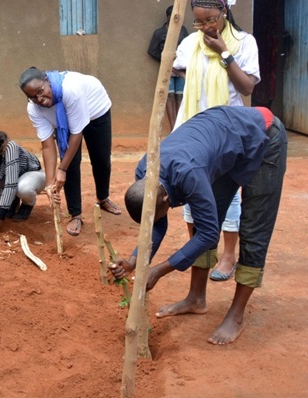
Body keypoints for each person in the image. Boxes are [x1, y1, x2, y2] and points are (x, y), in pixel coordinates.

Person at [110, 106, 287, 345]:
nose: (156, 219)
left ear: (163, 199)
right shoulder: (145, 172)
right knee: (205, 213)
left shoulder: (189, 174)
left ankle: (236, 316)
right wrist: (134, 260)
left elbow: (208, 232)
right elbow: (157, 225)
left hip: (263, 137)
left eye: (156, 214)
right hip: (225, 142)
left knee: (254, 228)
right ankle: (196, 299)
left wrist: (160, 269)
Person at [173, 0, 261, 282]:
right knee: (189, 190)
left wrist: (223, 54)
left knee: (227, 192)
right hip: (192, 128)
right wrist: (201, 75)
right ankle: (200, 251)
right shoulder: (190, 43)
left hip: (226, 131)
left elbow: (247, 87)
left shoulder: (244, 43)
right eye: (199, 21)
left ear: (224, 13)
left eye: (210, 19)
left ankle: (227, 255)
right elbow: (180, 69)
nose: (205, 26)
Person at [19, 67, 121, 237]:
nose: (40, 99)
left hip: (96, 111)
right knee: (71, 164)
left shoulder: (71, 90)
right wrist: (49, 185)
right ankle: (76, 214)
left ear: (47, 81)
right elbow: (47, 145)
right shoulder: (34, 109)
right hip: (65, 122)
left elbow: (76, 133)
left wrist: (62, 169)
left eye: (41, 92)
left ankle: (103, 197)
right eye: (33, 97)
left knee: (101, 159)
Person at [147, 5, 189, 131]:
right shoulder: (159, 33)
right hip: (167, 70)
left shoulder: (183, 30)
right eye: (174, 17)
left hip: (181, 69)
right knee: (169, 97)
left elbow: (188, 47)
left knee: (180, 97)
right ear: (168, 17)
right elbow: (152, 50)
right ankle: (173, 128)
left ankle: (180, 126)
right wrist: (165, 60)